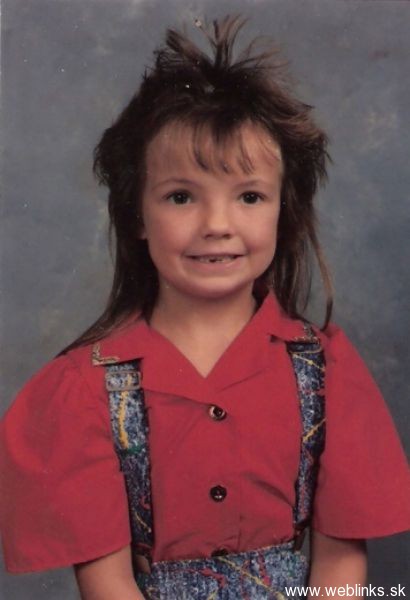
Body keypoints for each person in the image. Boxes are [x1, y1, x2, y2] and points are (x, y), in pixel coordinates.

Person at [1, 15, 409, 600]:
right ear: (137, 215)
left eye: (250, 196)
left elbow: (342, 569)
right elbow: (106, 584)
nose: (217, 224)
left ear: (283, 211)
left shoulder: (327, 372)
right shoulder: (84, 389)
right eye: (181, 196)